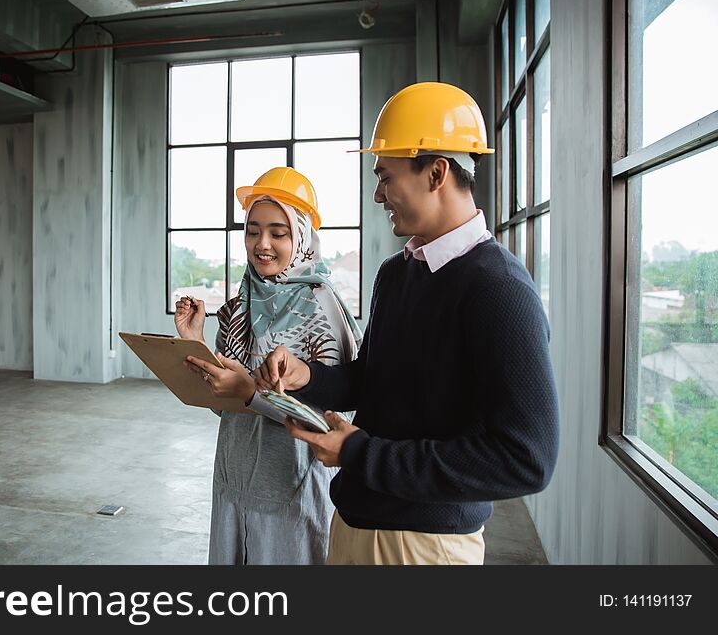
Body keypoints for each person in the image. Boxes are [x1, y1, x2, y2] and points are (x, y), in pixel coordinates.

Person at [254, 82, 560, 565]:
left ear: (436, 172)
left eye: (385, 176)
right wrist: (307, 376)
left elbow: (526, 459)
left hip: (425, 546)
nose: (377, 194)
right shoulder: (397, 273)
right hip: (355, 521)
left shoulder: (498, 289)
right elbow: (371, 382)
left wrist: (360, 454)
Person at [174, 166, 362, 565]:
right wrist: (195, 343)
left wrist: (252, 395)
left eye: (278, 233)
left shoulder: (320, 306)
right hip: (233, 477)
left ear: (302, 237)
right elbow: (219, 401)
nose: (262, 244)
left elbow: (332, 418)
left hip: (292, 489)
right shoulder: (241, 303)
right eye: (252, 230)